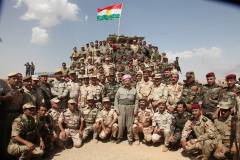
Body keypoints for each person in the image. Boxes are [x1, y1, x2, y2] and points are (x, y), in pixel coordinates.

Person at [114, 74, 138, 145]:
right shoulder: (120, 89)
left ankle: (130, 138)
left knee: (129, 124)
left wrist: (135, 109)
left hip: (131, 107)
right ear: (123, 82)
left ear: (131, 81)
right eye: (125, 81)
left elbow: (136, 100)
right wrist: (116, 109)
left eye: (128, 80)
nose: (127, 82)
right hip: (121, 107)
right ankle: (119, 137)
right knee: (121, 124)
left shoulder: (134, 90)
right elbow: (116, 99)